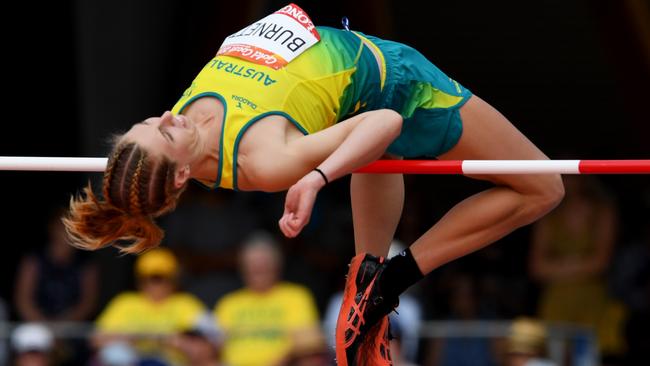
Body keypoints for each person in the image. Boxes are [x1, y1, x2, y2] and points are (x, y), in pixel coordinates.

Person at [64, 3, 564, 365]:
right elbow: (384, 121)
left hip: (352, 91)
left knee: (373, 168)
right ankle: (391, 282)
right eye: (164, 131)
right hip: (399, 83)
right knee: (545, 188)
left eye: (151, 120)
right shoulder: (263, 161)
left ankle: (368, 281)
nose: (169, 115)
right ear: (179, 175)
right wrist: (317, 178)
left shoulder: (186, 125)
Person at [529, 175, 625, 359]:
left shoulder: (602, 211)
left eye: (571, 176)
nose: (567, 181)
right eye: (562, 176)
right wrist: (581, 262)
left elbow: (601, 263)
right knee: (555, 357)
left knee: (589, 357)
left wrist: (559, 265)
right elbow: (537, 267)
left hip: (592, 301)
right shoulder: (549, 213)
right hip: (556, 300)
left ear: (585, 179)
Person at [213, 232, 320, 366]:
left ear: (277, 266)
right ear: (242, 268)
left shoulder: (295, 296)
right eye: (252, 265)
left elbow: (310, 341)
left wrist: (282, 360)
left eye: (263, 264)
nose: (258, 269)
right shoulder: (229, 302)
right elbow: (213, 345)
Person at [93, 248, 206, 364]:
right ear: (140, 280)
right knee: (116, 353)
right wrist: (127, 338)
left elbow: (211, 341)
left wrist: (183, 343)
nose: (155, 285)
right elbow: (96, 339)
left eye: (160, 278)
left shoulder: (186, 304)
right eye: (150, 278)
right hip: (134, 360)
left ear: (174, 279)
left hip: (170, 361)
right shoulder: (125, 302)